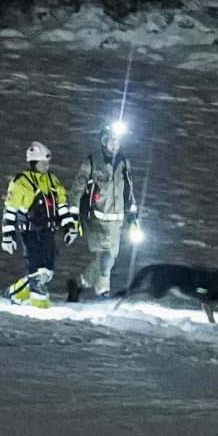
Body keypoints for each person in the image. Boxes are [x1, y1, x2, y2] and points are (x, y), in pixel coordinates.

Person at [66, 123, 138, 302]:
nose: (115, 145)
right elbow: (76, 190)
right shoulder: (91, 162)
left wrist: (133, 218)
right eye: (112, 141)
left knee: (110, 259)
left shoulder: (124, 163)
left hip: (116, 222)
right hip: (96, 220)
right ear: (104, 142)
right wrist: (73, 217)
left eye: (118, 142)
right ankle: (102, 292)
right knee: (105, 258)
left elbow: (128, 191)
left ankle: (79, 284)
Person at [1, 141, 77, 308]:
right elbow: (10, 210)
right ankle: (39, 306)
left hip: (49, 232)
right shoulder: (21, 182)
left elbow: (62, 206)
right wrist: (8, 236)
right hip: (29, 232)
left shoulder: (53, 181)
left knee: (48, 272)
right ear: (34, 162)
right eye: (43, 162)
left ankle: (16, 292)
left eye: (47, 162)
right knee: (37, 271)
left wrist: (69, 227)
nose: (46, 165)